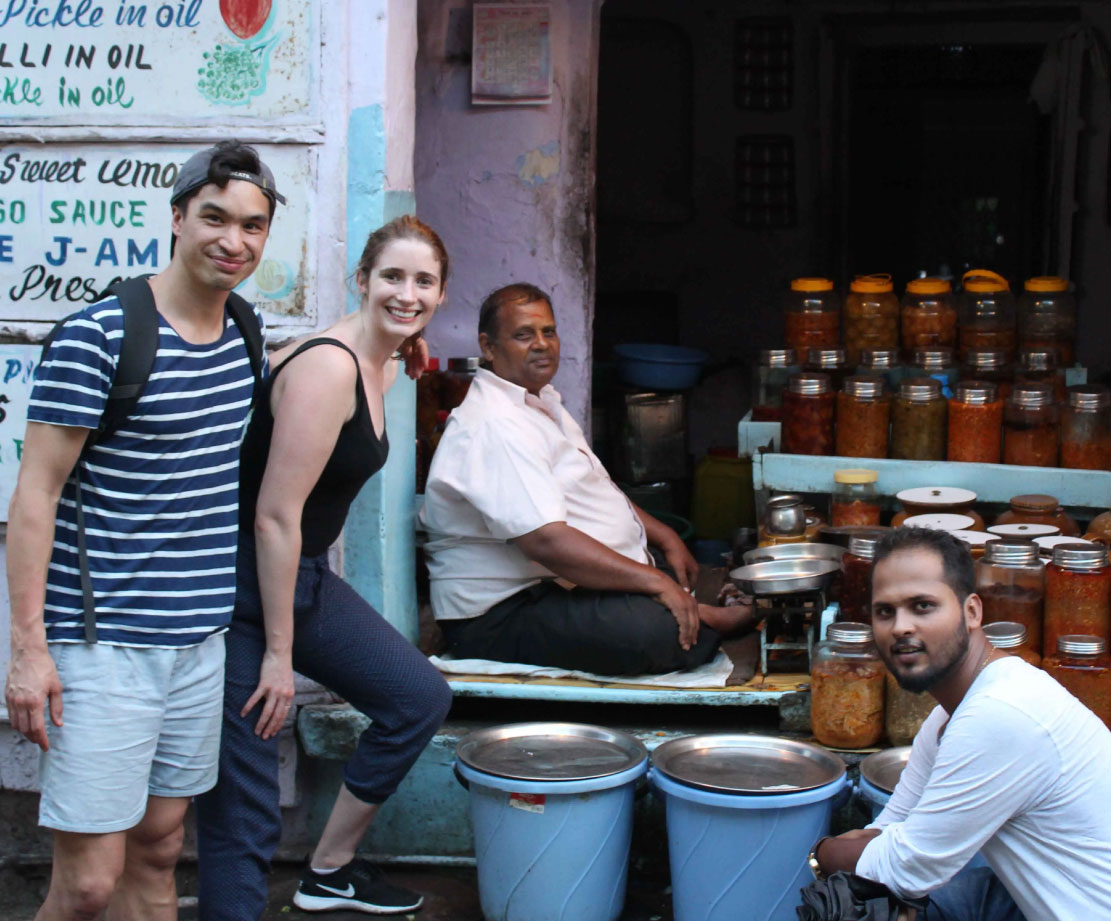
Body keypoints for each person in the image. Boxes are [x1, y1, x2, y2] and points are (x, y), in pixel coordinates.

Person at [4, 141, 282, 921]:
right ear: (177, 218)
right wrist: (29, 649)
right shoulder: (98, 336)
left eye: (253, 226)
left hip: (196, 644)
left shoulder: (245, 336)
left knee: (160, 848)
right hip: (102, 645)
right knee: (89, 881)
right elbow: (34, 497)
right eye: (216, 218)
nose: (234, 241)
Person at [195, 216, 453, 919]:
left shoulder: (382, 357)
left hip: (298, 577)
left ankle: (330, 870)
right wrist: (279, 654)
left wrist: (403, 341)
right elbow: (274, 515)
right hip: (246, 593)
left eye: (422, 282)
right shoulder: (329, 367)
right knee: (244, 814)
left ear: (440, 295)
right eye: (391, 277)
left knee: (417, 697)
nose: (406, 293)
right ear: (361, 279)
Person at [420, 283, 755, 676]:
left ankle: (690, 609)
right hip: (500, 612)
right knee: (658, 631)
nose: (542, 344)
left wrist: (662, 535)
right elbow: (546, 541)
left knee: (663, 578)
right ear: (489, 347)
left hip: (551, 587)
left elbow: (590, 487)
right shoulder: (495, 424)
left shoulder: (540, 401)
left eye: (549, 332)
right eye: (523, 335)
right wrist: (655, 583)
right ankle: (700, 617)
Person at [809, 527, 1111, 920]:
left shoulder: (1001, 712)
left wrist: (820, 853)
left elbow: (906, 867)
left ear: (972, 612)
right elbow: (891, 828)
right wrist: (869, 854)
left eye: (922, 606)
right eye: (886, 611)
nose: (901, 627)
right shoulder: (950, 715)